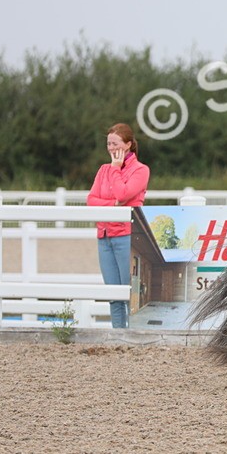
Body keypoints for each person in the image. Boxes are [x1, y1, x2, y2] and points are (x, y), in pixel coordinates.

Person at [87, 123, 150, 328]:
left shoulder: (140, 170)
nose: (111, 148)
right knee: (112, 292)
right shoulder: (103, 170)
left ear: (128, 145)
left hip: (127, 235)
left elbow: (124, 193)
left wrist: (115, 170)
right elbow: (91, 200)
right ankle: (118, 333)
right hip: (105, 235)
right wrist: (113, 204)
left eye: (115, 144)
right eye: (108, 144)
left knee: (129, 290)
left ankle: (132, 333)